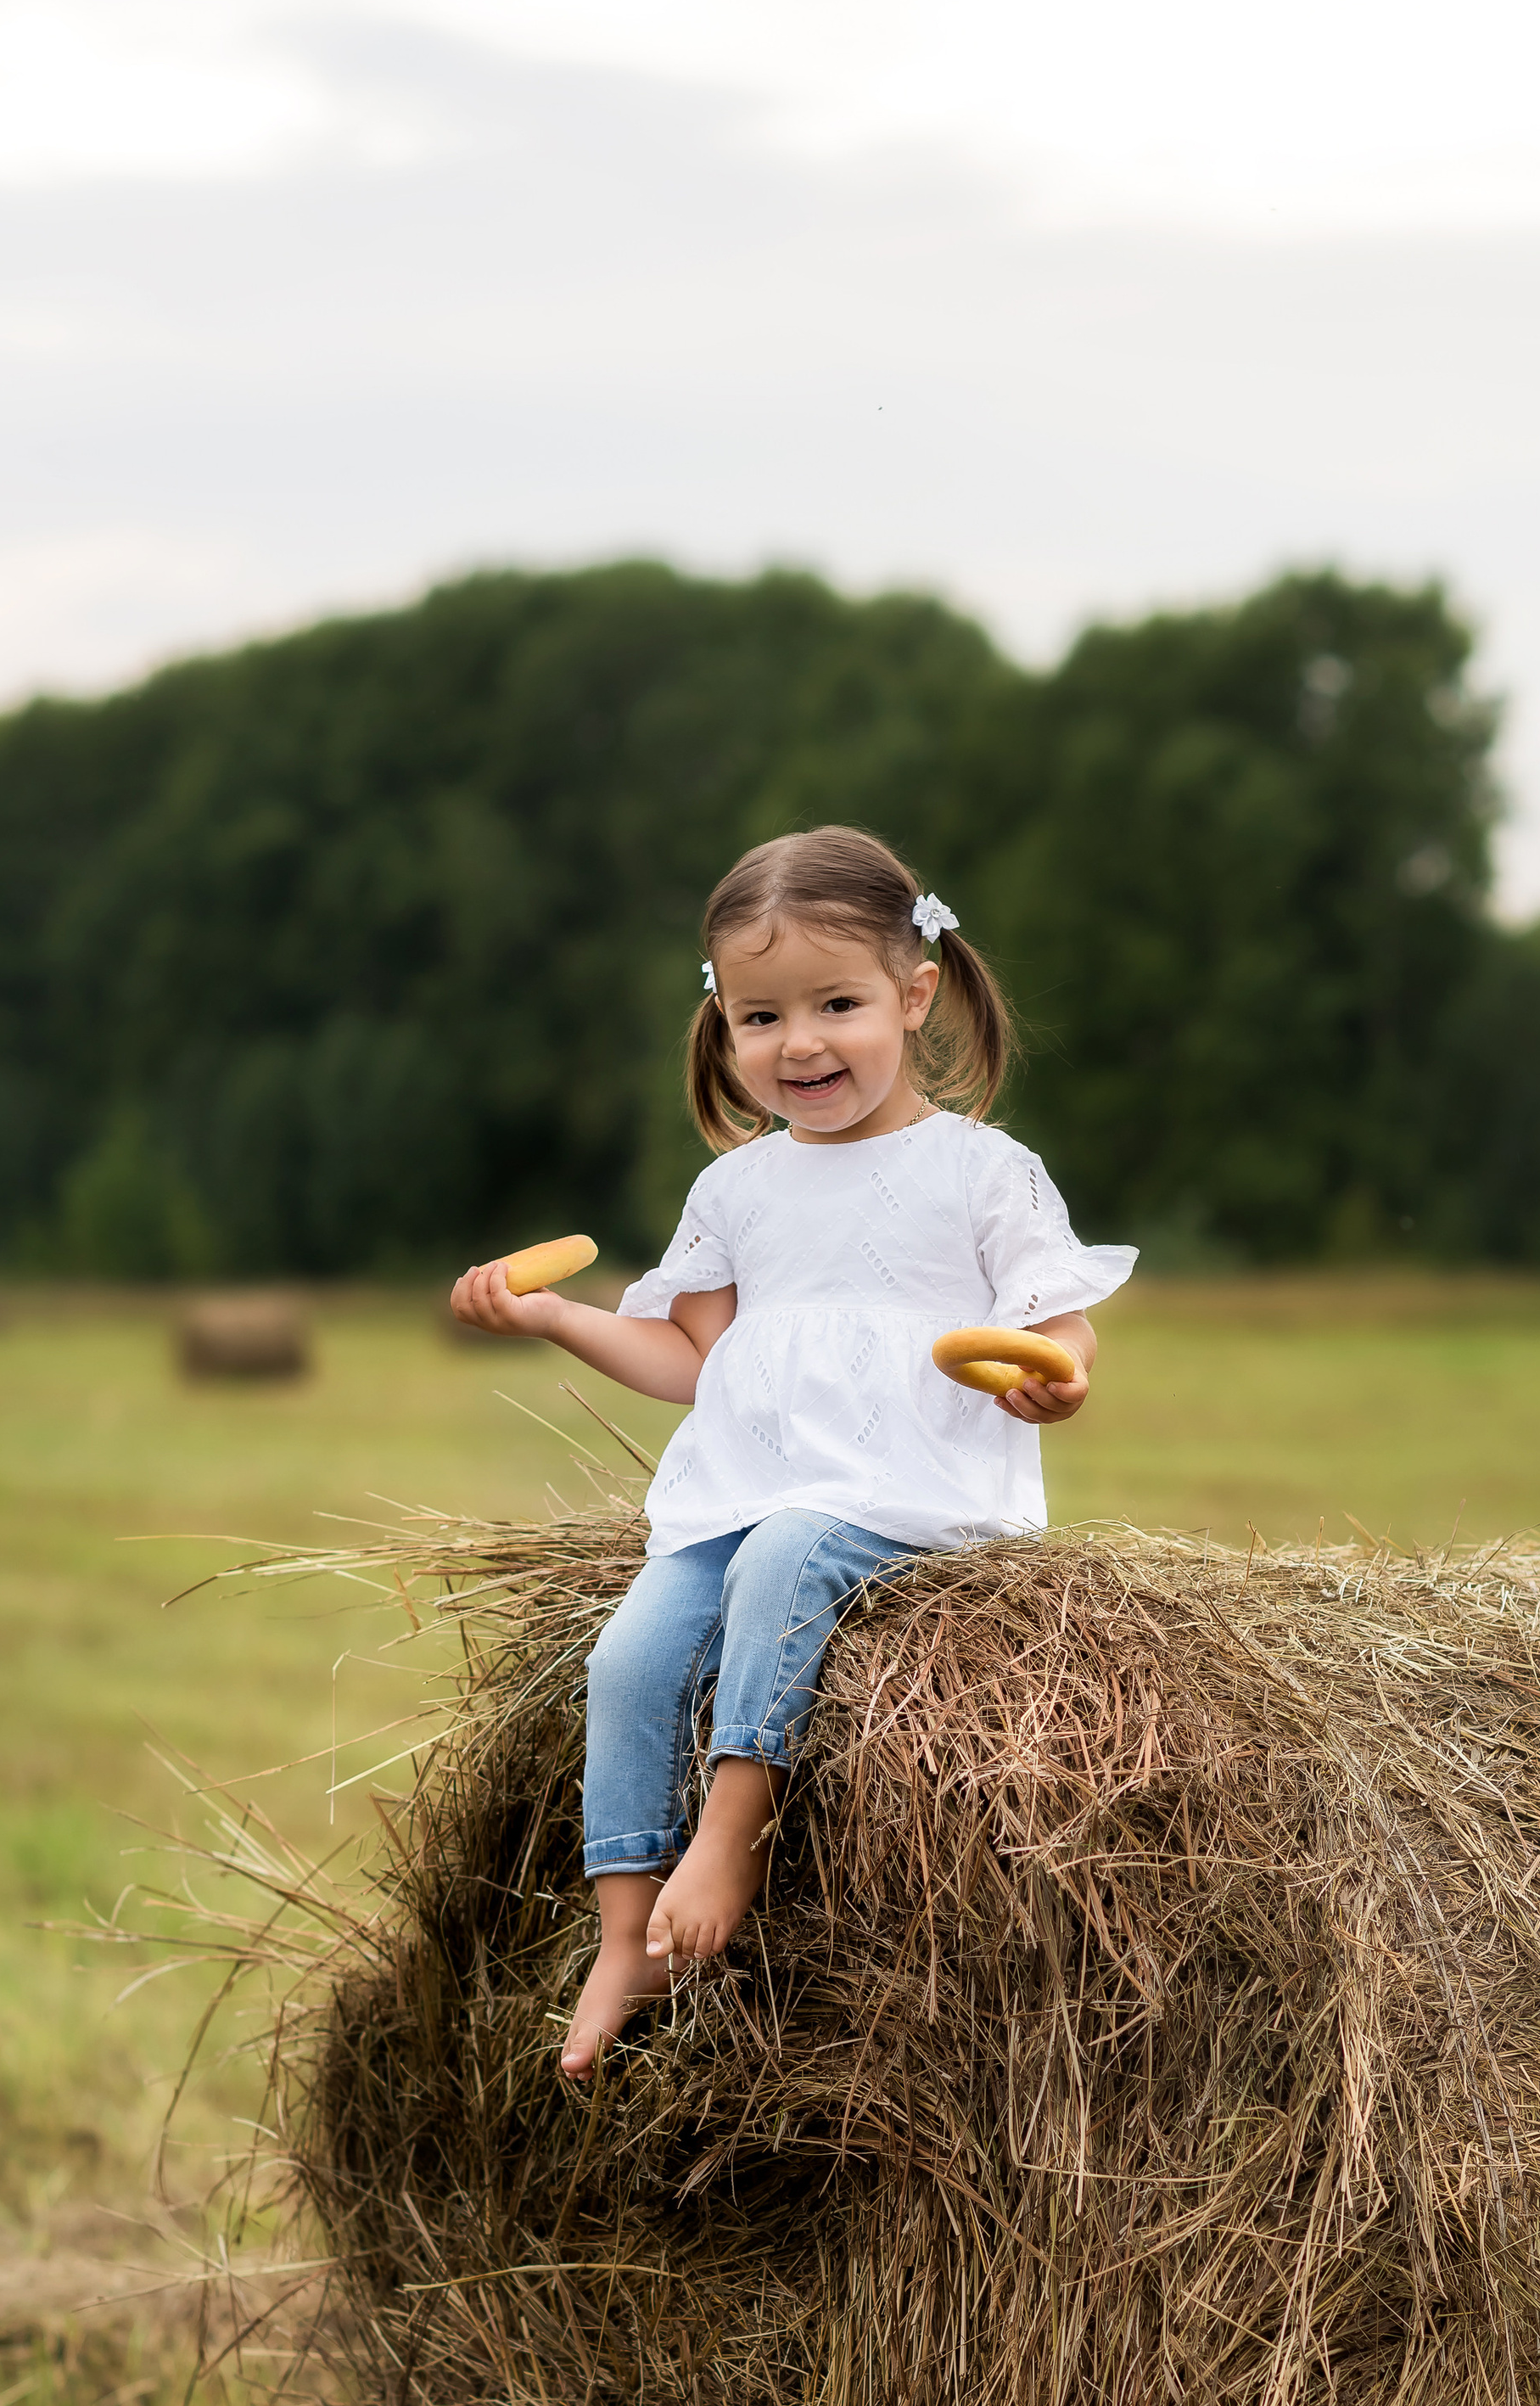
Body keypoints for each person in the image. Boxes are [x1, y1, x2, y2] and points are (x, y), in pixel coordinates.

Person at [451, 824, 1135, 2074]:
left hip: (902, 1492)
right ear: (722, 1024)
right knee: (628, 1658)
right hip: (742, 1487)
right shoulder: (736, 1192)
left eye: (837, 1004)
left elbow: (1058, 1314)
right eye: (760, 1017)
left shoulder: (983, 1171)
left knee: (787, 1561)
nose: (799, 1042)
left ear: (914, 996)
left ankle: (733, 1834)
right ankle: (624, 1931)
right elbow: (696, 1366)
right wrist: (554, 1315)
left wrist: (1060, 1379)